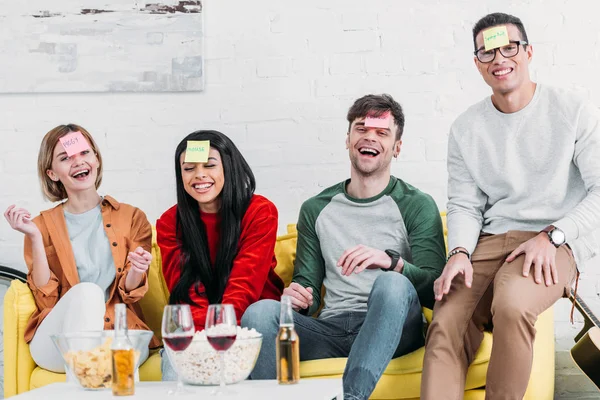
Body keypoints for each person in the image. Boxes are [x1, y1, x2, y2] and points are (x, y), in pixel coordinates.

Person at [421, 12, 600, 400]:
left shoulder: (572, 110)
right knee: (447, 319)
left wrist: (553, 236)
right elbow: (465, 204)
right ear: (477, 64)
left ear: (528, 51)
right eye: (488, 52)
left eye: (509, 47)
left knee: (514, 303)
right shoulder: (466, 128)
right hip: (490, 238)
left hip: (554, 240)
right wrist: (460, 252)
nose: (499, 58)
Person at [242, 94, 446, 400]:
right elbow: (307, 286)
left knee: (390, 284)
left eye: (381, 132)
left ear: (397, 147)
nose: (369, 137)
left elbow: (435, 287)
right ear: (348, 139)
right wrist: (298, 296)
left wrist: (392, 263)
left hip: (392, 327)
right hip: (331, 330)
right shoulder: (316, 208)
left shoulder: (416, 204)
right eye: (361, 128)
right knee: (260, 313)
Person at [3, 124, 159, 373]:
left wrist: (137, 270)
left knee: (111, 360)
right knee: (87, 293)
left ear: (96, 158)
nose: (77, 162)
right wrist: (33, 236)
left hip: (116, 334)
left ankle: (89, 375)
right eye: (65, 158)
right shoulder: (40, 226)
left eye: (84, 153)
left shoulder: (131, 217)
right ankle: (92, 369)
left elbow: (131, 294)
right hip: (57, 340)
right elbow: (47, 298)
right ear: (52, 173)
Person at [157, 130, 284, 380]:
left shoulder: (260, 211)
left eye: (210, 165)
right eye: (189, 168)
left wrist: (221, 335)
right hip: (196, 329)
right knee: (178, 361)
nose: (199, 174)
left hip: (250, 324)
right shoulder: (169, 222)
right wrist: (204, 343)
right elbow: (187, 294)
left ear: (228, 167)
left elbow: (243, 286)